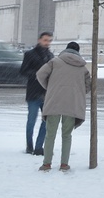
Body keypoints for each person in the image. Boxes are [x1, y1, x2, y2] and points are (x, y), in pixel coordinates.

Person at [35, 41, 91, 172]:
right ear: (78, 51)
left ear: (66, 50)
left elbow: (40, 74)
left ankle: (46, 164)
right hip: (72, 104)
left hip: (54, 101)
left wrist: (50, 87)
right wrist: (77, 91)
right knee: (67, 135)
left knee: (50, 135)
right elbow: (88, 86)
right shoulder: (82, 68)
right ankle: (64, 164)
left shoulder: (55, 62)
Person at [19, 31, 53, 155]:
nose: (47, 43)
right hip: (33, 92)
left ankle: (39, 147)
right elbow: (23, 71)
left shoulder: (50, 56)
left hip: (46, 94)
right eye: (45, 40)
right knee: (31, 121)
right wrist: (38, 74)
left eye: (49, 40)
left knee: (46, 121)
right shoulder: (30, 54)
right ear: (39, 40)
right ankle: (29, 146)